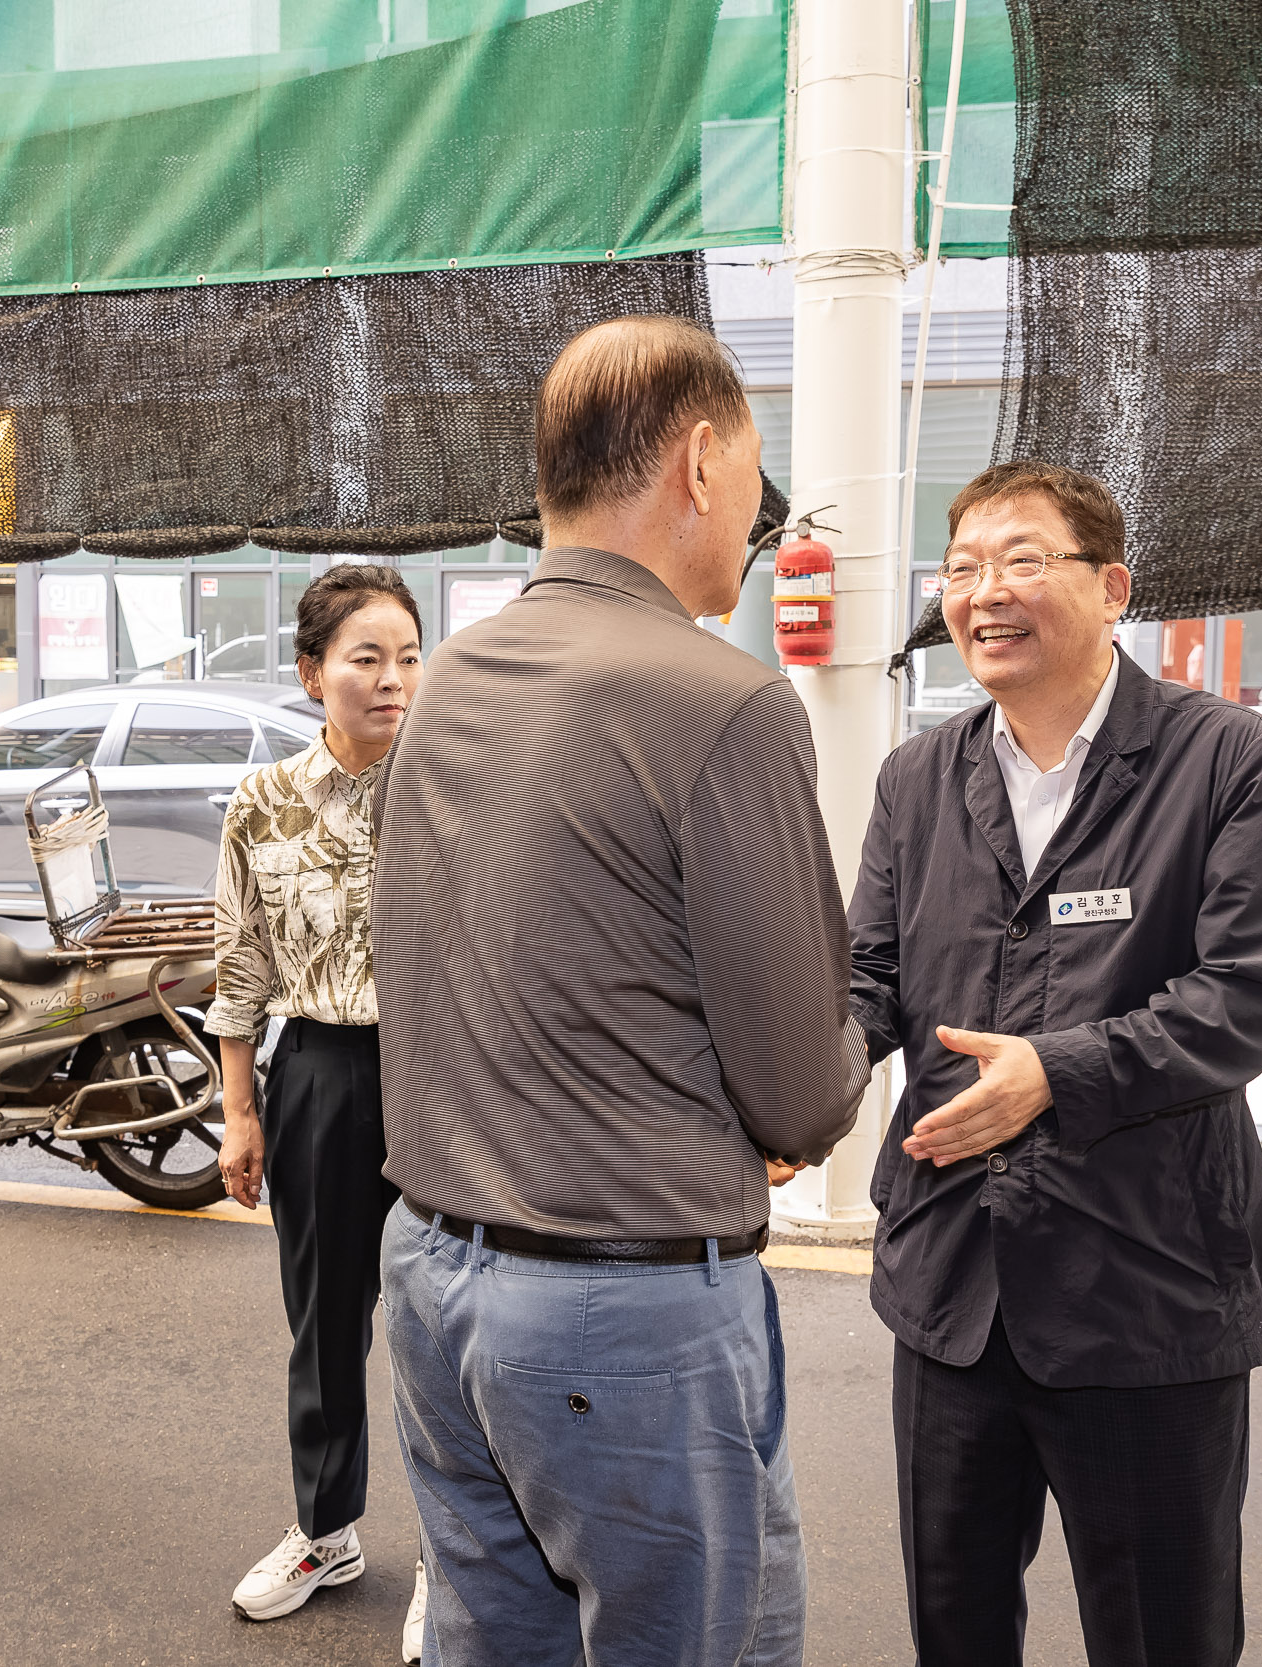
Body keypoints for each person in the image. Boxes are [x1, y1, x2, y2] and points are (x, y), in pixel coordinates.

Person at [372, 315, 869, 1667]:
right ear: (701, 464)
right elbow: (796, 1088)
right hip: (621, 1307)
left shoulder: (449, 678)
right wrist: (852, 1029)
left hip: (431, 1276)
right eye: (756, 480)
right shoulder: (723, 698)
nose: (756, 517)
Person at [847, 461, 1262, 1665]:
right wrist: (782, 1086)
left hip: (1147, 1290)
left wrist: (1057, 1070)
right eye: (958, 568)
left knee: (1164, 1634)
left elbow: (1252, 989)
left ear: (1111, 588)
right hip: (952, 1289)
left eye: (1019, 559)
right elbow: (868, 979)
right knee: (953, 1627)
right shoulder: (917, 777)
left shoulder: (1229, 760)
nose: (981, 591)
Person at [207, 564, 427, 1654]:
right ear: (312, 675)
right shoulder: (264, 801)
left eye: (407, 657)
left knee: (449, 1320)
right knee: (324, 1317)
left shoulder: (457, 784)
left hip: (446, 1074)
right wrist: (239, 1110)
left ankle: (456, 1554)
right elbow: (238, 963)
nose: (392, 681)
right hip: (320, 1075)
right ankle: (325, 1526)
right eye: (365, 658)